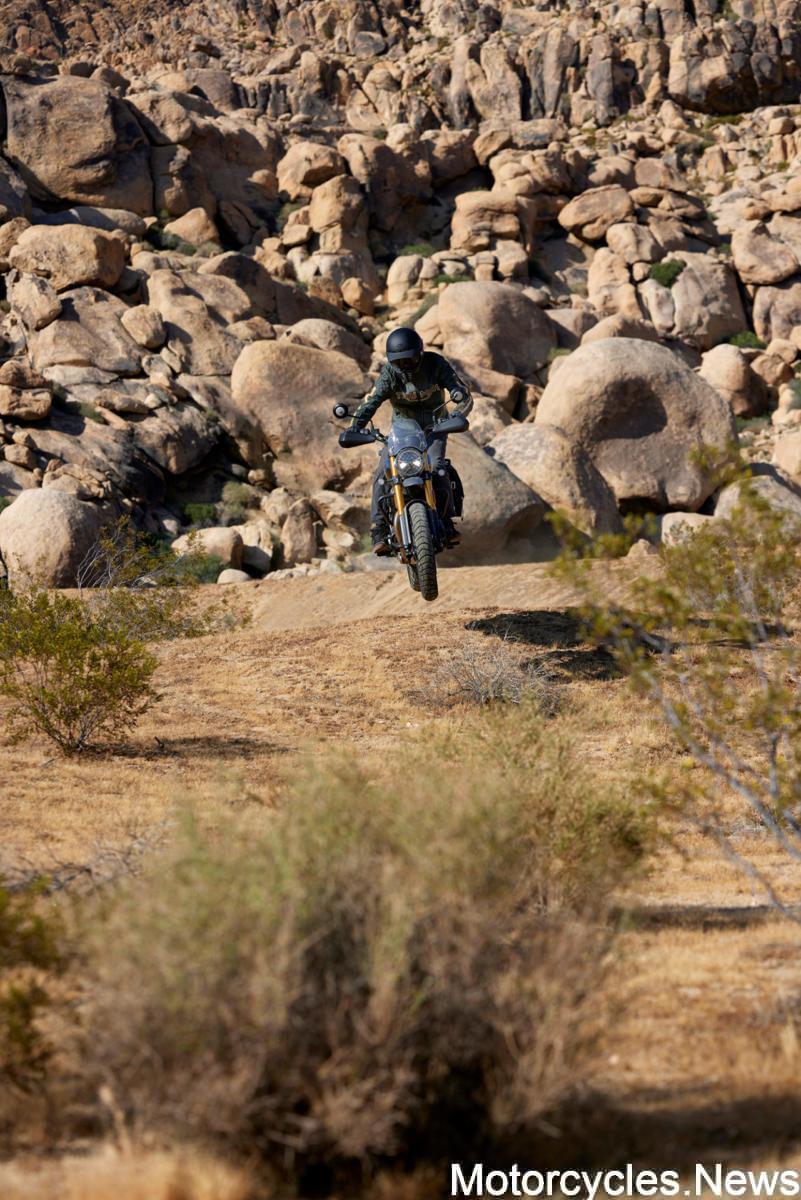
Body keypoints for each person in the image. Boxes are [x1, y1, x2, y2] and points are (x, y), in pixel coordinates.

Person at [350, 327, 473, 556]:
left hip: (436, 426)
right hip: (403, 429)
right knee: (383, 471)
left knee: (437, 468)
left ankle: (446, 522)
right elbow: (371, 402)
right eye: (399, 361)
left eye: (410, 359)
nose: (405, 365)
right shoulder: (389, 374)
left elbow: (462, 394)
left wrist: (456, 415)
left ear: (420, 354)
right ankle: (378, 530)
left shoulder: (436, 364)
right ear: (391, 361)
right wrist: (355, 426)